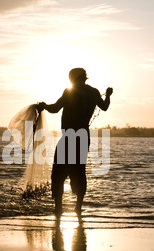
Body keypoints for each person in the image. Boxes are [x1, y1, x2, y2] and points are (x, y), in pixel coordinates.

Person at [37, 68, 113, 216]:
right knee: (79, 171)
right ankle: (78, 208)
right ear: (85, 78)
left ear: (72, 78)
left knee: (58, 172)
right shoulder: (94, 92)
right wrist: (108, 95)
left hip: (69, 136)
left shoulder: (69, 91)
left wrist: (44, 106)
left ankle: (58, 208)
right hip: (83, 137)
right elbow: (104, 107)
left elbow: (55, 108)